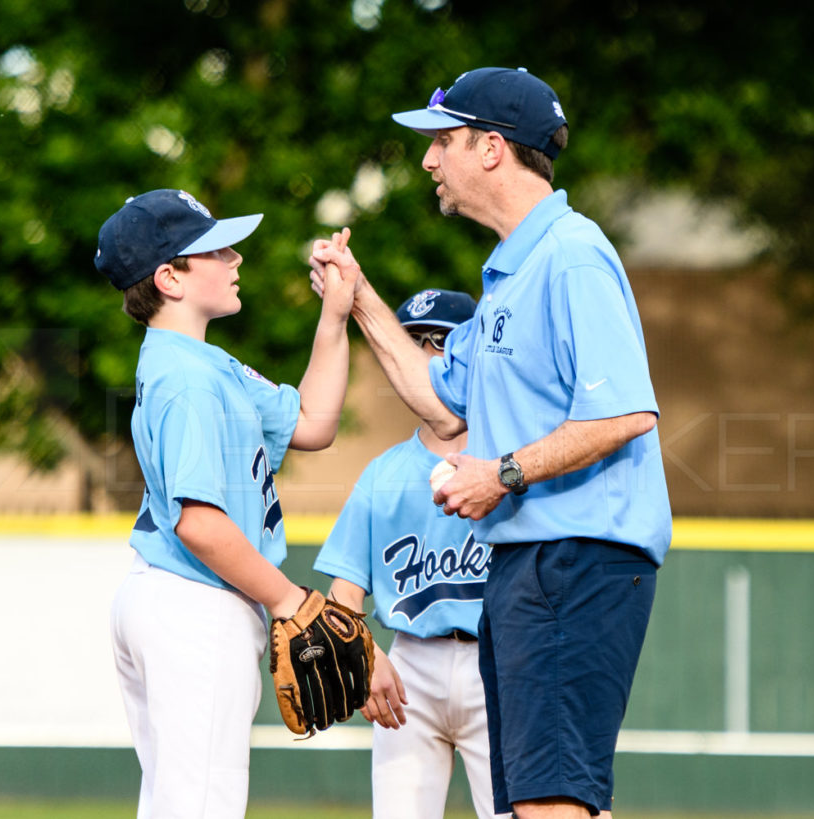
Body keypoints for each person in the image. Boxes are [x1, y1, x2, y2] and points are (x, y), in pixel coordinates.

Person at [310, 67, 672, 819]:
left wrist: (502, 473)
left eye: (444, 140)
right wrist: (359, 293)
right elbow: (439, 395)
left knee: (550, 802)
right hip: (528, 565)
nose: (428, 161)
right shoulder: (510, 273)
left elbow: (625, 412)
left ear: (492, 149)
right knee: (542, 802)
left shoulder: (571, 253)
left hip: (577, 557)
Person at [94, 188, 355, 818]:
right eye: (214, 248)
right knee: (202, 805)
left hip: (176, 597)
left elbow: (313, 422)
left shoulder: (203, 364)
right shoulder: (186, 380)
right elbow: (199, 523)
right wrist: (291, 600)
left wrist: (336, 316)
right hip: (195, 601)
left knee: (177, 801)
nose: (235, 257)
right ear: (169, 278)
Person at [313, 289, 510, 819]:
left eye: (441, 341)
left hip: (499, 662)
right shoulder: (383, 472)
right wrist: (365, 653)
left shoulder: (512, 464)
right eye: (412, 342)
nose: (425, 354)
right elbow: (345, 591)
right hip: (410, 670)